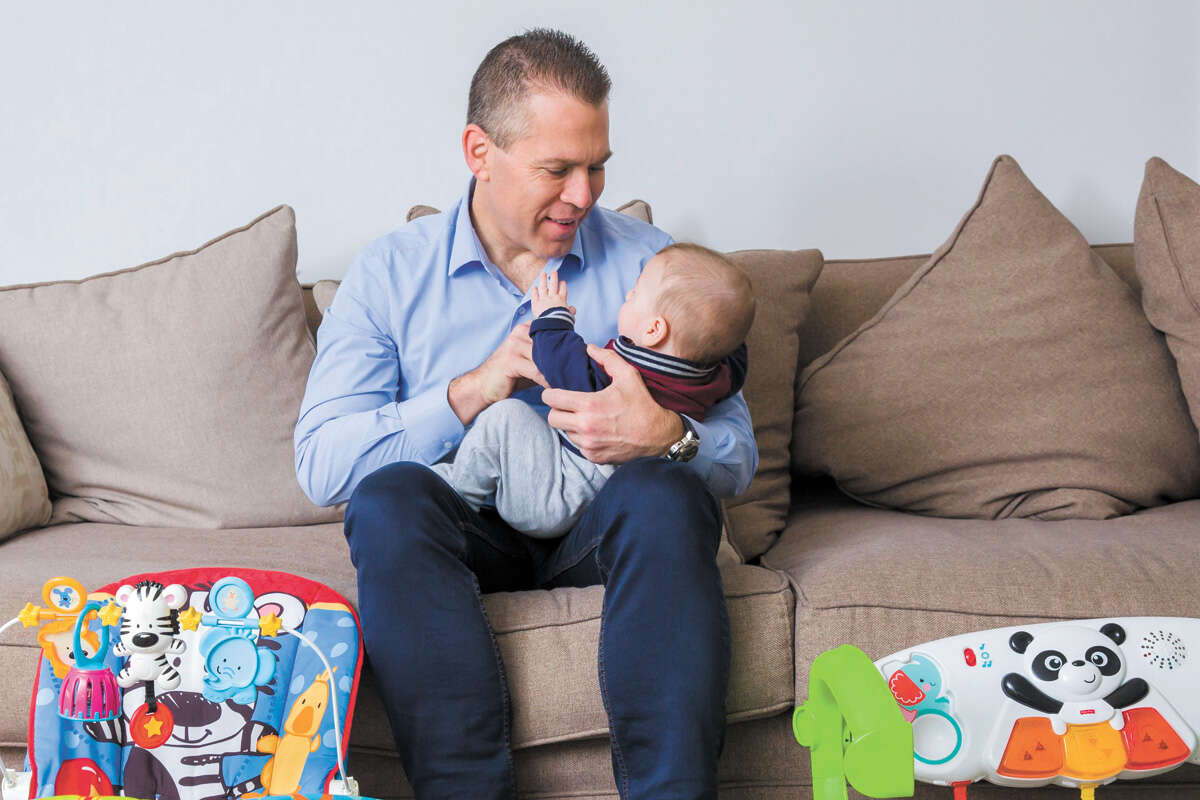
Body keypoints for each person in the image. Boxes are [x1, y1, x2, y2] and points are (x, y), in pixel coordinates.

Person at [293, 28, 757, 800]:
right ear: (479, 151)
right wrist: (472, 390)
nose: (584, 194)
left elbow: (737, 454)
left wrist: (668, 437)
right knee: (389, 501)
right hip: (470, 533)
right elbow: (322, 465)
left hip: (600, 524)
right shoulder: (390, 275)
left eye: (597, 166)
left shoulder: (654, 266)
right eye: (558, 168)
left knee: (667, 490)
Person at [430, 244, 755, 538]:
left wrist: (552, 318)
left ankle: (459, 493)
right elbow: (735, 354)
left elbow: (562, 365)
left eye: (635, 293)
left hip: (558, 495)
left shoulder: (627, 377)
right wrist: (724, 327)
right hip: (601, 504)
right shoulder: (716, 375)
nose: (628, 293)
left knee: (505, 417)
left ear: (654, 329)